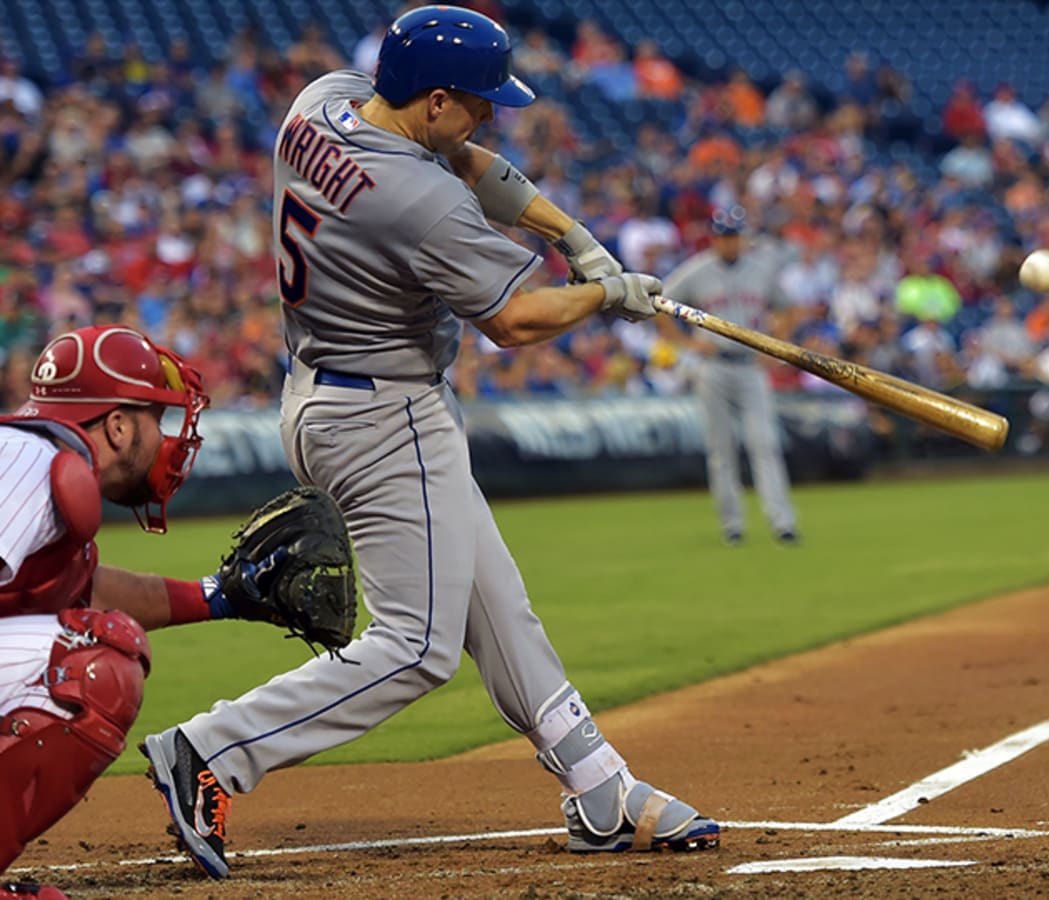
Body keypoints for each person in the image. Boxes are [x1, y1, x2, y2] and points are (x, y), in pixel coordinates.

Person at [140, 5, 718, 882]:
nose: (489, 116)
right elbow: (517, 319)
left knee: (496, 605)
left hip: (327, 394)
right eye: (479, 101)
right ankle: (211, 749)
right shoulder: (419, 200)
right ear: (436, 100)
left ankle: (600, 788)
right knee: (416, 647)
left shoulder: (321, 102)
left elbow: (468, 159)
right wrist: (609, 294)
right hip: (386, 416)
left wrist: (572, 238)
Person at [0, 325, 296, 899]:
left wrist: (222, 595)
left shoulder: (40, 459)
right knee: (93, 662)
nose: (167, 440)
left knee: (90, 638)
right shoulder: (31, 460)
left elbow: (84, 588)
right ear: (116, 424)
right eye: (153, 420)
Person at [660, 207, 799, 547]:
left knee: (764, 443)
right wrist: (686, 343)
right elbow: (660, 304)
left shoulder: (760, 269)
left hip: (751, 365)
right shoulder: (697, 270)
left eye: (734, 235)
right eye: (724, 235)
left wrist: (775, 345)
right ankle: (732, 526)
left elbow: (789, 308)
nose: (729, 242)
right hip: (714, 366)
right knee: (721, 450)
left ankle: (783, 523)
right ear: (714, 237)